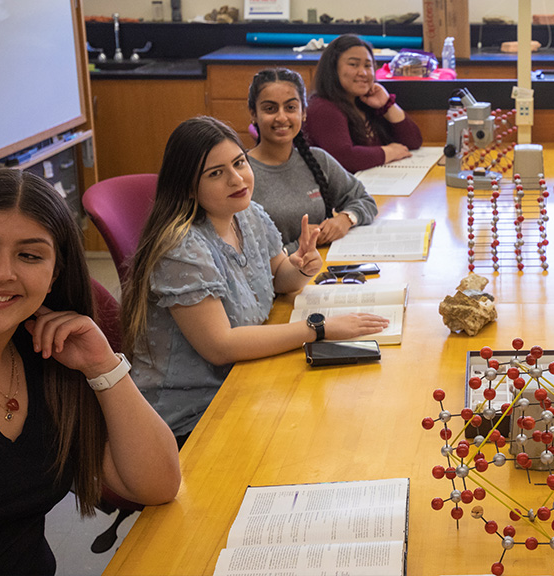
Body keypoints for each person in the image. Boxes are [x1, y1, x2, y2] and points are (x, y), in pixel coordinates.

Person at [0, 170, 180, 572]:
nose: (2, 273)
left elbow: (156, 485)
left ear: (53, 279)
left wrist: (103, 367)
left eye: (29, 255)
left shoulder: (47, 352)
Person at [121, 116, 388, 443]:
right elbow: (220, 346)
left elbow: (279, 277)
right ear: (189, 187)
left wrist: (302, 267)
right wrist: (318, 329)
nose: (237, 179)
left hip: (243, 380)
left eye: (239, 163)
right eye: (217, 174)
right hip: (187, 416)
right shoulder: (182, 248)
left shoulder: (247, 214)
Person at [246, 67, 378, 253]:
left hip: (322, 268)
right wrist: (300, 245)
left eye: (291, 107)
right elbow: (242, 256)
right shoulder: (240, 173)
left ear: (303, 112)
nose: (282, 117)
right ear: (253, 114)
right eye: (270, 109)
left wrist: (345, 219)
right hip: (278, 279)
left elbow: (364, 200)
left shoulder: (317, 159)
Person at [305, 34, 423, 173]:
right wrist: (388, 152)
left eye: (368, 65)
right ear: (333, 69)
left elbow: (413, 141)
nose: (363, 73)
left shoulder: (365, 102)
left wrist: (387, 105)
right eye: (353, 65)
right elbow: (344, 158)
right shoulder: (322, 108)